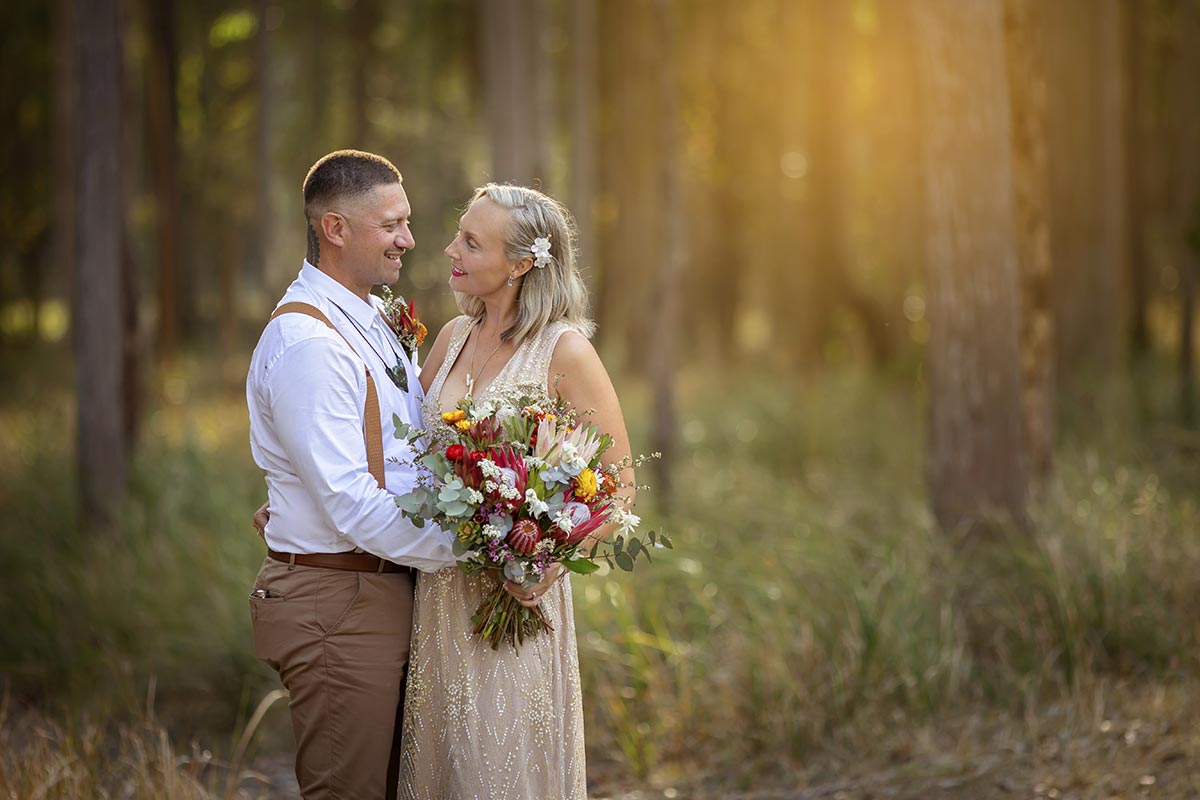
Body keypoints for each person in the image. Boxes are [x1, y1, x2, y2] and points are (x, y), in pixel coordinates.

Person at [398, 183, 635, 799]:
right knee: (446, 763)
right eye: (458, 233)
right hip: (438, 595)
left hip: (516, 604)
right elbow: (405, 459)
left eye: (471, 242)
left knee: (497, 772)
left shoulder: (565, 351)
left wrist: (546, 562)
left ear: (522, 264)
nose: (450, 248)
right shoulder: (450, 337)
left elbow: (619, 486)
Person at [246, 149, 458, 800]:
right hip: (339, 609)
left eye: (409, 221)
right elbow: (354, 507)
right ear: (335, 229)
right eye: (392, 224)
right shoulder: (309, 344)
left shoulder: (365, 318)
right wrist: (478, 549)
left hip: (377, 593)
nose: (410, 240)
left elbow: (396, 455)